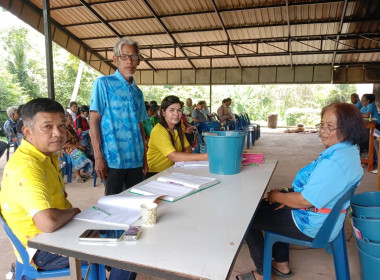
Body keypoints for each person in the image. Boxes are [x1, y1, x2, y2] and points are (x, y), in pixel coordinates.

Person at [0, 98, 133, 280]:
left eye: (62, 125)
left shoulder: (45, 154)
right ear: (27, 132)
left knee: (126, 230)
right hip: (41, 248)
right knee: (128, 252)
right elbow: (48, 222)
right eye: (47, 127)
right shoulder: (27, 167)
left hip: (59, 232)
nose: (58, 133)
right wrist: (74, 211)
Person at [237, 102, 365, 280]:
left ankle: (261, 272)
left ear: (348, 129)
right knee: (269, 205)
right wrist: (285, 195)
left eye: (330, 127)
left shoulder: (334, 163)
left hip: (310, 222)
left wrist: (278, 196)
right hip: (323, 216)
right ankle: (281, 264)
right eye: (322, 124)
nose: (323, 131)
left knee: (247, 216)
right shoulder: (348, 152)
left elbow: (306, 201)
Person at [90, 36, 148, 199]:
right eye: (124, 56)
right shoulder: (103, 83)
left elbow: (140, 126)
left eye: (133, 56)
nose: (129, 60)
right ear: (115, 59)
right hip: (113, 158)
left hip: (136, 158)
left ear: (138, 61)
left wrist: (144, 156)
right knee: (113, 202)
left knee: (135, 201)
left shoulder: (137, 92)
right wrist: (98, 155)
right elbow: (94, 120)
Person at [146, 95, 208, 178]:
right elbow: (173, 156)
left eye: (179, 110)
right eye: (172, 110)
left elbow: (188, 149)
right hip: (156, 173)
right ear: (163, 112)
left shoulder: (177, 129)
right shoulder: (159, 130)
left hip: (172, 170)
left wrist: (180, 156)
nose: (176, 114)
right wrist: (205, 156)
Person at [61, 113, 93, 183]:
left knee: (88, 150)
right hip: (66, 148)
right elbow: (61, 144)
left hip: (74, 146)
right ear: (65, 119)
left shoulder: (71, 128)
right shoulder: (62, 129)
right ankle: (77, 174)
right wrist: (74, 146)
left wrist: (78, 146)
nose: (71, 119)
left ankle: (85, 171)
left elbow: (76, 139)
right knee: (78, 154)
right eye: (70, 118)